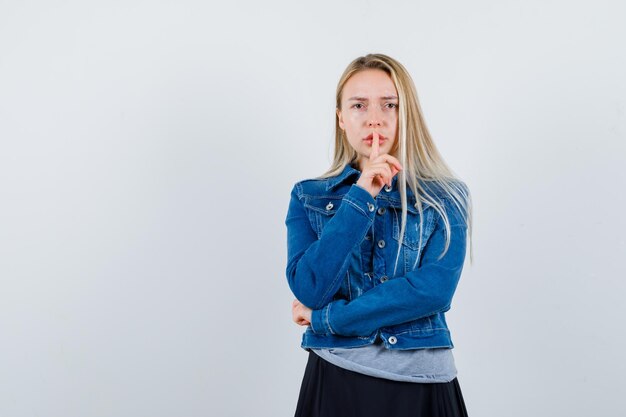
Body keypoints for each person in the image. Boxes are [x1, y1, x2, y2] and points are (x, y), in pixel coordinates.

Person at [285, 53, 473, 417]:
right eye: (358, 105)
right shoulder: (308, 196)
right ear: (341, 117)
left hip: (424, 383)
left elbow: (432, 291)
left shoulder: (448, 197)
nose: (374, 118)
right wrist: (361, 195)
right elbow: (310, 287)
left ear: (407, 115)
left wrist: (326, 320)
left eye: (390, 104)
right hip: (336, 380)